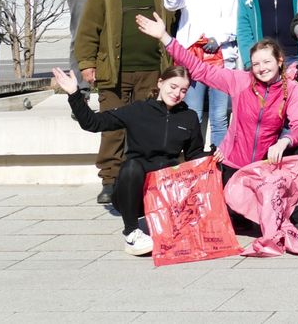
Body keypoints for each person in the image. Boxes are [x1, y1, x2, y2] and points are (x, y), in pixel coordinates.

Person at [136, 13, 298, 193]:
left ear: (279, 61)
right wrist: (165, 38)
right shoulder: (240, 81)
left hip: (267, 164)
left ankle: (286, 205)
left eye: (267, 61)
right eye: (256, 64)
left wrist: (284, 141)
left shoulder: (289, 88)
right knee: (238, 218)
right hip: (235, 164)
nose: (262, 68)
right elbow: (199, 69)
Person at [54, 64, 202, 256]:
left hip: (164, 193)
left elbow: (194, 156)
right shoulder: (138, 110)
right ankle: (132, 233)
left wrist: (215, 155)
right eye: (173, 86)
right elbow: (93, 122)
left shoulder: (188, 117)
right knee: (132, 166)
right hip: (132, 192)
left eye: (183, 90)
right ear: (160, 82)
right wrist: (74, 94)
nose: (177, 93)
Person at [73, 0, 172, 204]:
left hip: (152, 70)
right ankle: (109, 179)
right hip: (115, 71)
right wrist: (87, 63)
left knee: (145, 129)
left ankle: (145, 178)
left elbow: (173, 22)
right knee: (112, 128)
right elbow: (88, 28)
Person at [162, 0, 238, 150]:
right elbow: (171, 4)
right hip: (192, 57)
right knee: (192, 113)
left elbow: (235, 19)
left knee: (220, 116)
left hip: (221, 57)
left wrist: (220, 38)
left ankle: (221, 165)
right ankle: (192, 161)